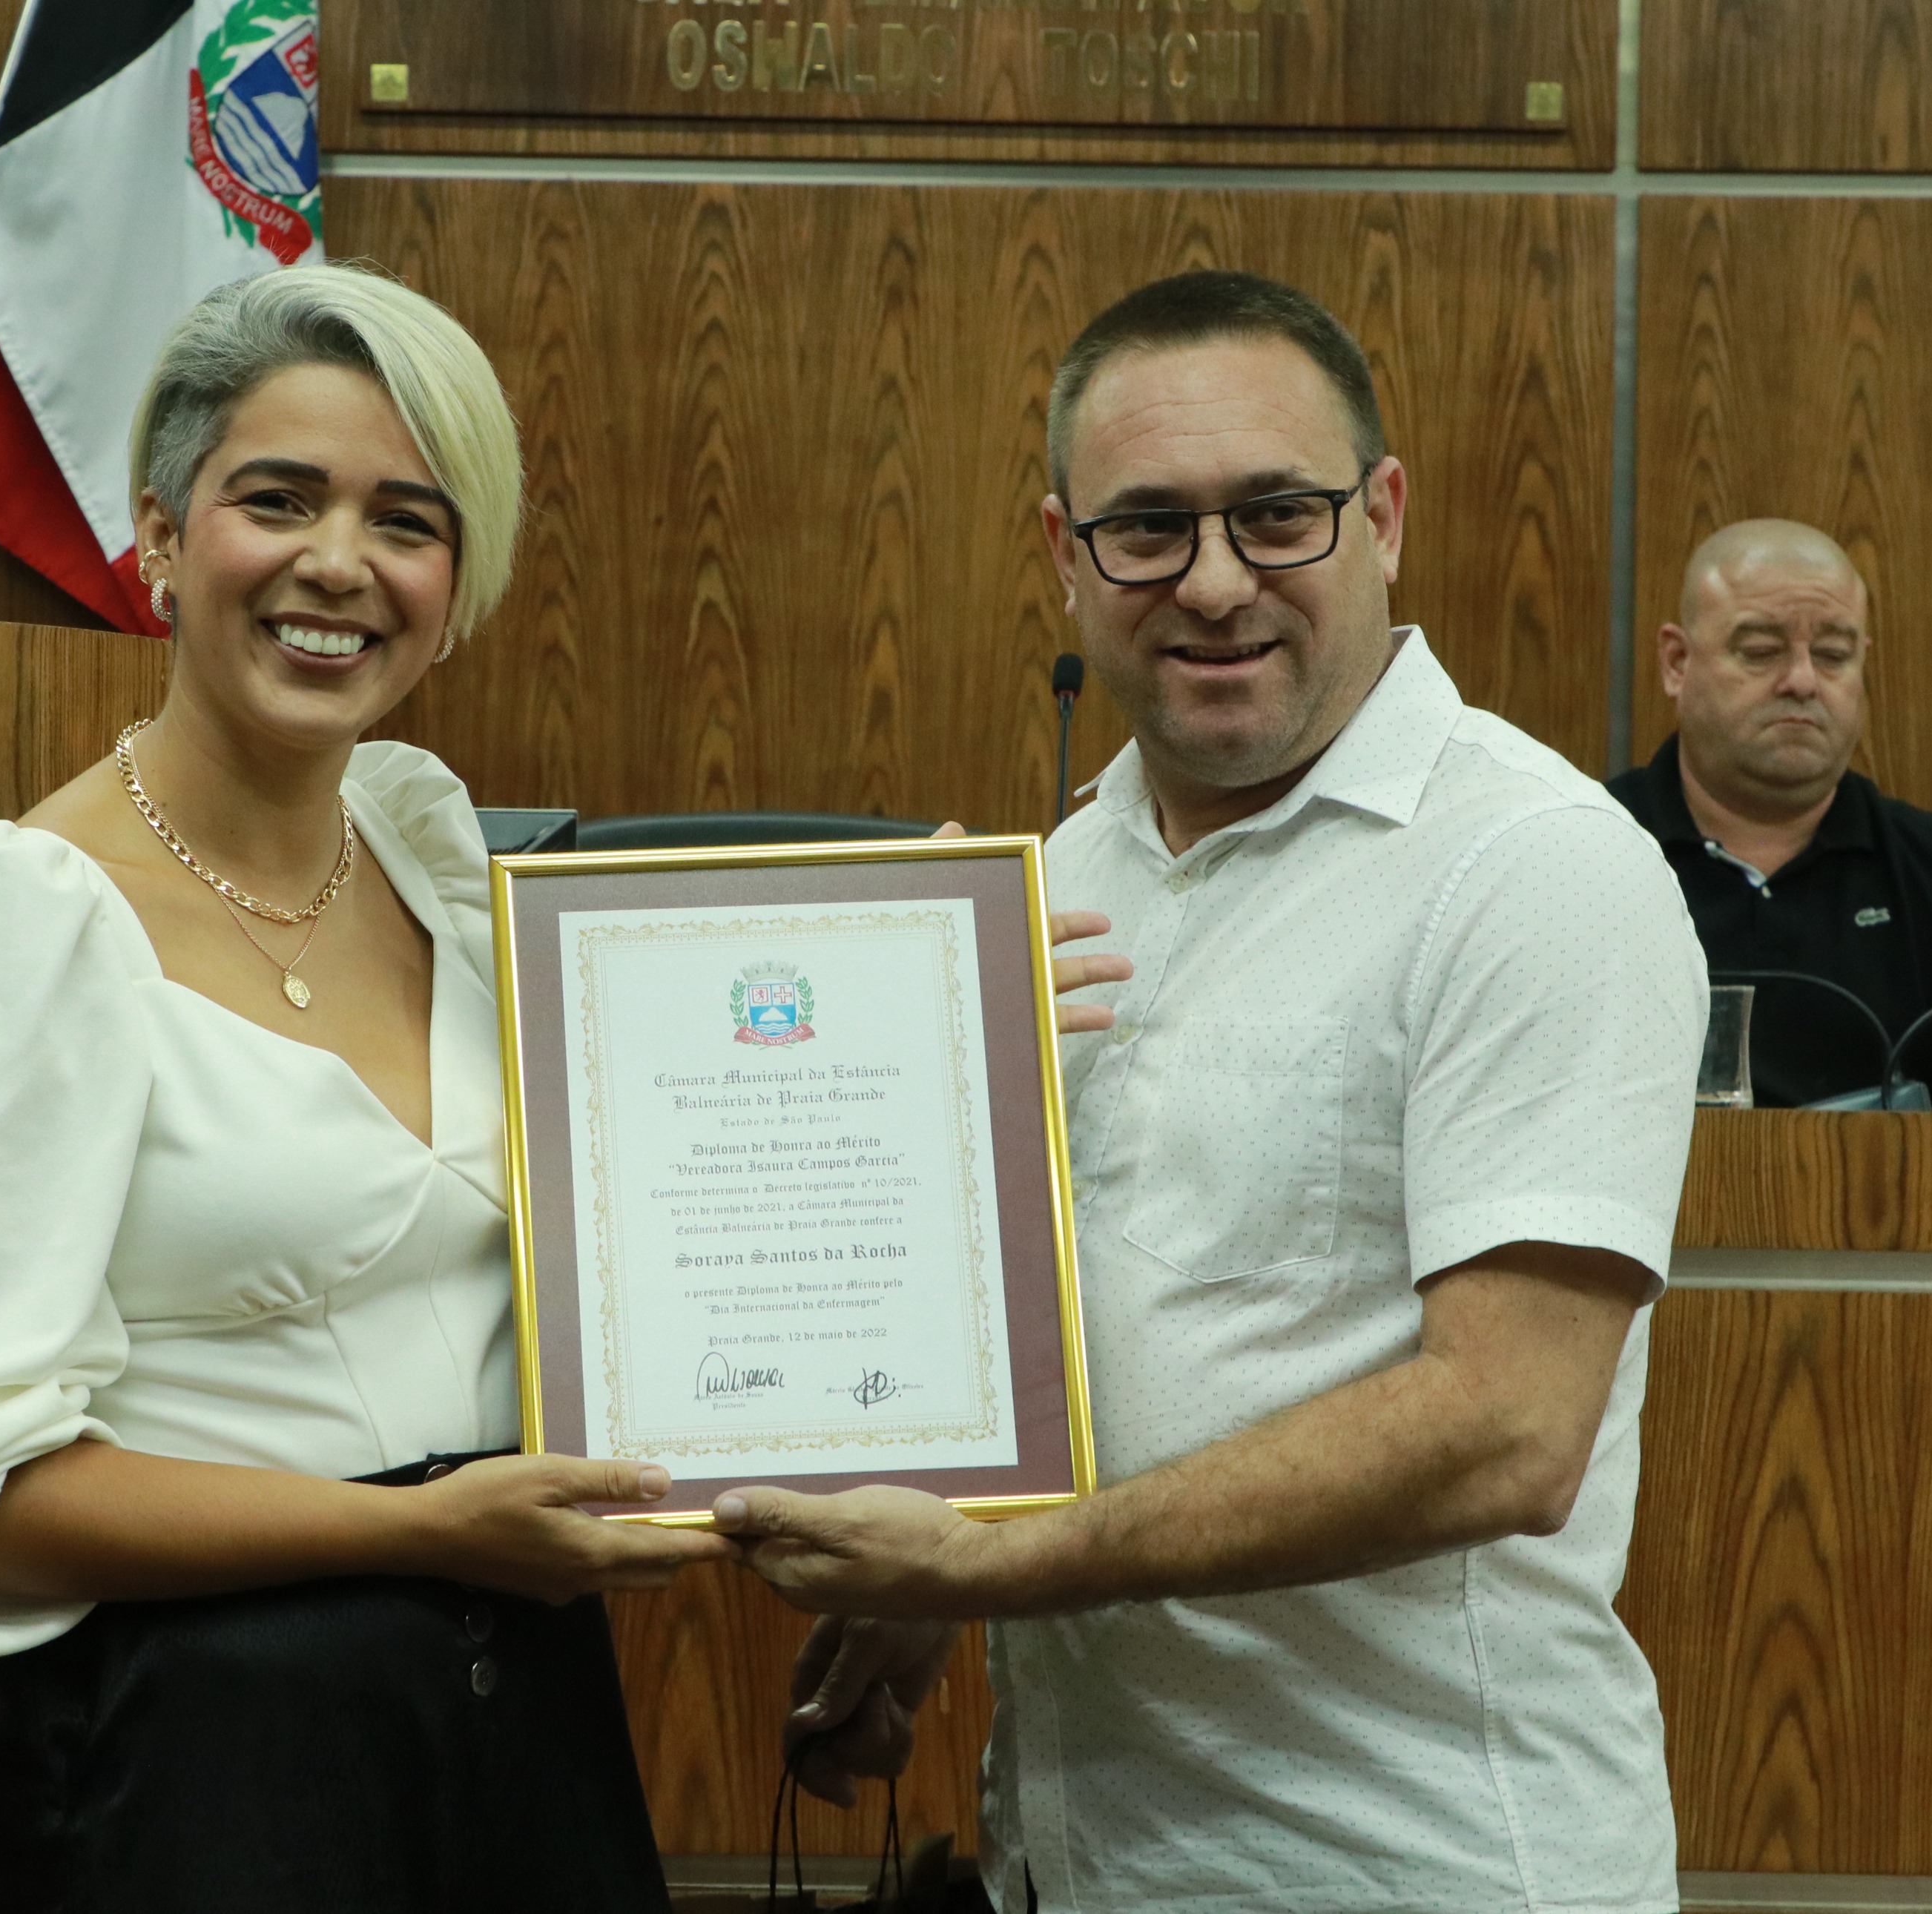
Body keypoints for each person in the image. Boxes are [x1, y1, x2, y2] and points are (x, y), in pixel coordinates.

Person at [710, 270, 1710, 1912]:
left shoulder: (1532, 870)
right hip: (1079, 1858)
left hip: (1411, 1866)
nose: (1217, 580)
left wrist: (996, 1564)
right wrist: (936, 1572)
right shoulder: (1061, 876)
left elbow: (1505, 1431)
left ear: (1383, 517)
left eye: (1276, 514)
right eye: (1149, 528)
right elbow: (1103, 1333)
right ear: (1065, 554)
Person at [0, 263, 736, 1913]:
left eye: (405, 521)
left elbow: (667, 1193)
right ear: (162, 539)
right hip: (202, 1751)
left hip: (526, 1709)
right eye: (278, 499)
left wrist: (923, 980)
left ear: (456, 584)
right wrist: (423, 1533)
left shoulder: (443, 871)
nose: (338, 563)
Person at [1608, 519, 1932, 1109]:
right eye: (1761, 652)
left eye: (1834, 655)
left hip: (1884, 1173)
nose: (1803, 681)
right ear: (1677, 662)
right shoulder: (1584, 847)